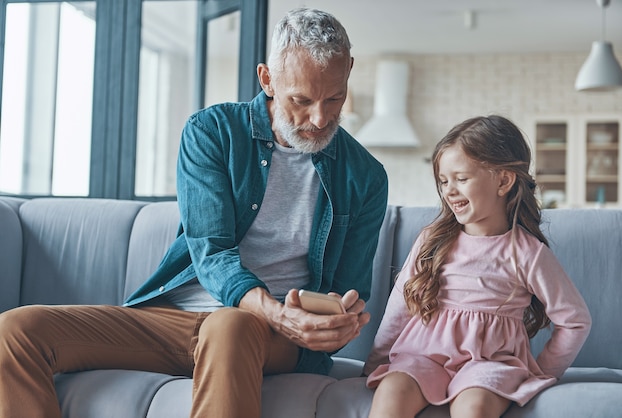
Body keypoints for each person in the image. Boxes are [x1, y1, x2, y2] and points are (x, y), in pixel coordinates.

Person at [0, 8, 388, 418]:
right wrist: (273, 310)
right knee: (17, 330)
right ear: (267, 79)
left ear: (348, 73)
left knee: (231, 325)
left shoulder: (365, 177)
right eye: (302, 100)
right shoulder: (213, 132)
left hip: (270, 336)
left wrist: (335, 324)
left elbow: (351, 289)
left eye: (335, 98)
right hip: (173, 319)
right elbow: (211, 252)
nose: (320, 118)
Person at [363, 115, 591, 418]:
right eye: (444, 181)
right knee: (392, 394)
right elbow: (400, 306)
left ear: (504, 181)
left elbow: (575, 320)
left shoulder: (527, 252)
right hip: (422, 356)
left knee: (474, 408)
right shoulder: (432, 239)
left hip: (489, 365)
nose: (449, 191)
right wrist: (376, 361)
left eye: (461, 179)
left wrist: (544, 372)